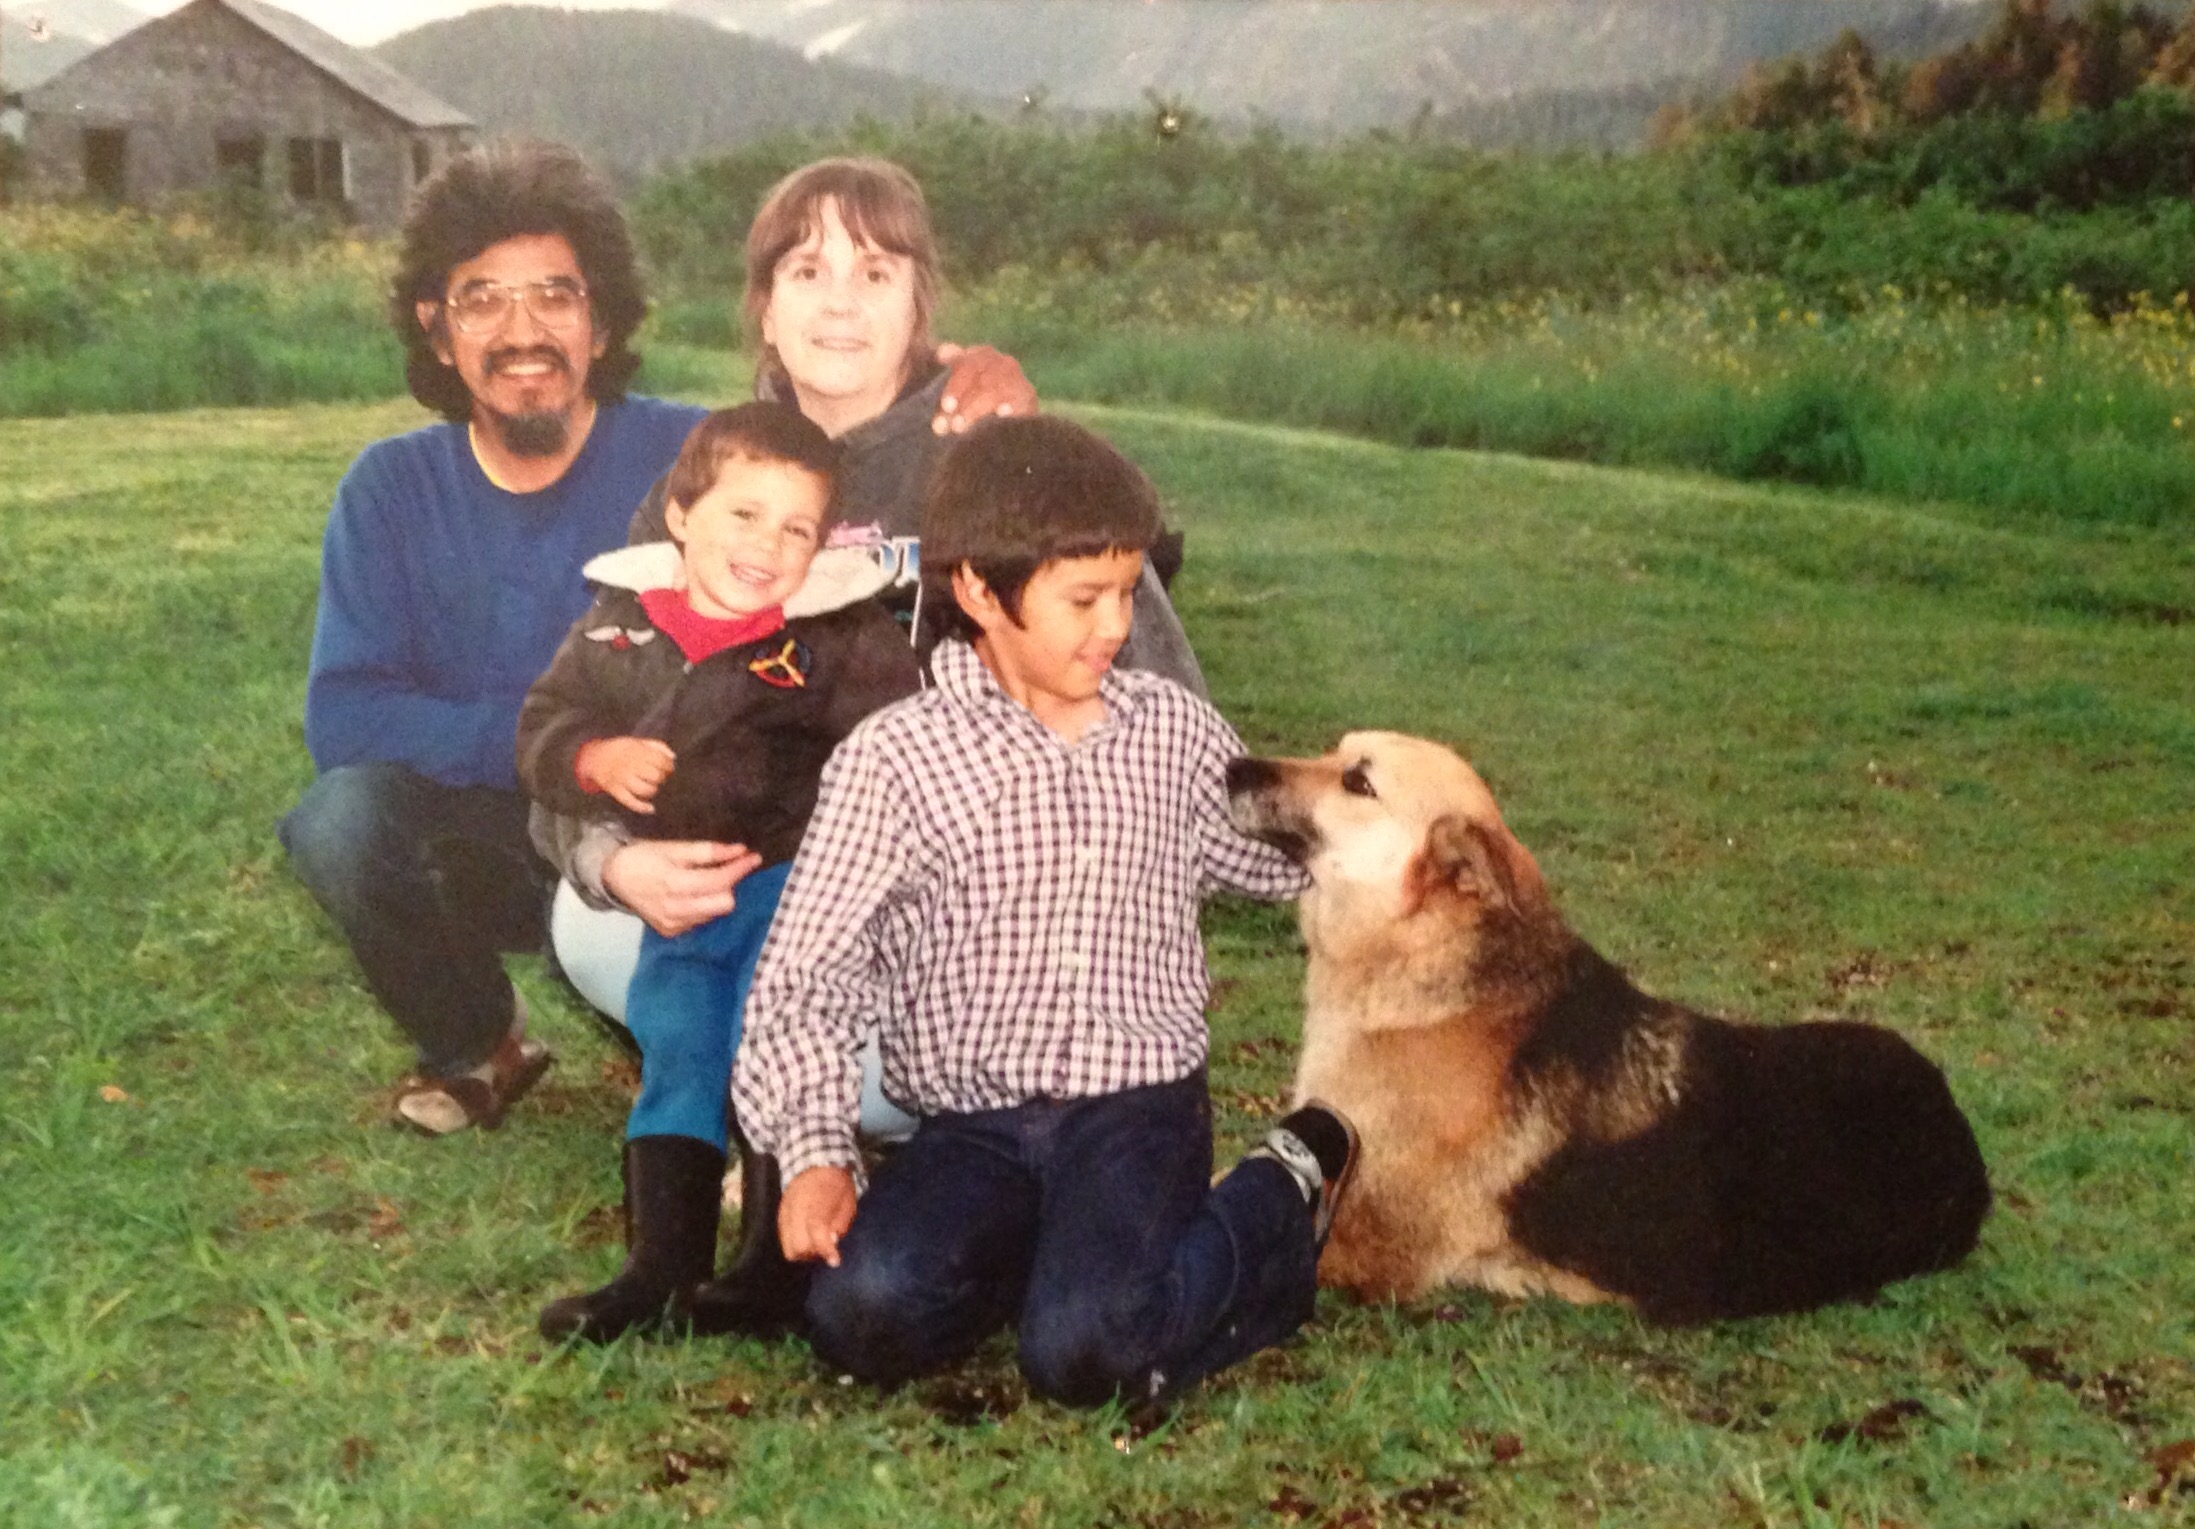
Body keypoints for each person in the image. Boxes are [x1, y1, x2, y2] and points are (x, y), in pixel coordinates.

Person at [277, 139, 1033, 1135]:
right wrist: (571, 750)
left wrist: (964, 371)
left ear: (601, 320)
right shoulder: (389, 488)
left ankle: (745, 1059)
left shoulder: (695, 453)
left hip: (688, 818)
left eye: (555, 295)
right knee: (339, 820)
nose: (522, 330)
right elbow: (345, 716)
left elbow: (836, 412)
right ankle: (479, 1044)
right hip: (517, 822)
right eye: (482, 299)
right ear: (436, 325)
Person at [727, 415, 1359, 1407]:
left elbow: (1271, 860)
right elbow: (808, 977)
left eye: (1126, 591)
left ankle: (1282, 1191)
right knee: (859, 1312)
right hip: (973, 1122)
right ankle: (1058, 1254)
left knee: (1083, 1354)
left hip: (1135, 1109)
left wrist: (1372, 834)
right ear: (981, 591)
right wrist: (813, 1153)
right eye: (1084, 598)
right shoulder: (894, 760)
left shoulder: (1169, 731)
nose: (1115, 627)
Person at [516, 403, 920, 1342]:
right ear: (680, 514)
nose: (767, 545)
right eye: (744, 514)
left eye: (796, 529)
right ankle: (660, 1267)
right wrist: (592, 757)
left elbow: (904, 750)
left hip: (797, 885)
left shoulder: (841, 633)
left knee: (774, 1042)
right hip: (685, 896)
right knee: (679, 1042)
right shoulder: (619, 625)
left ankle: (772, 1266)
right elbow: (543, 720)